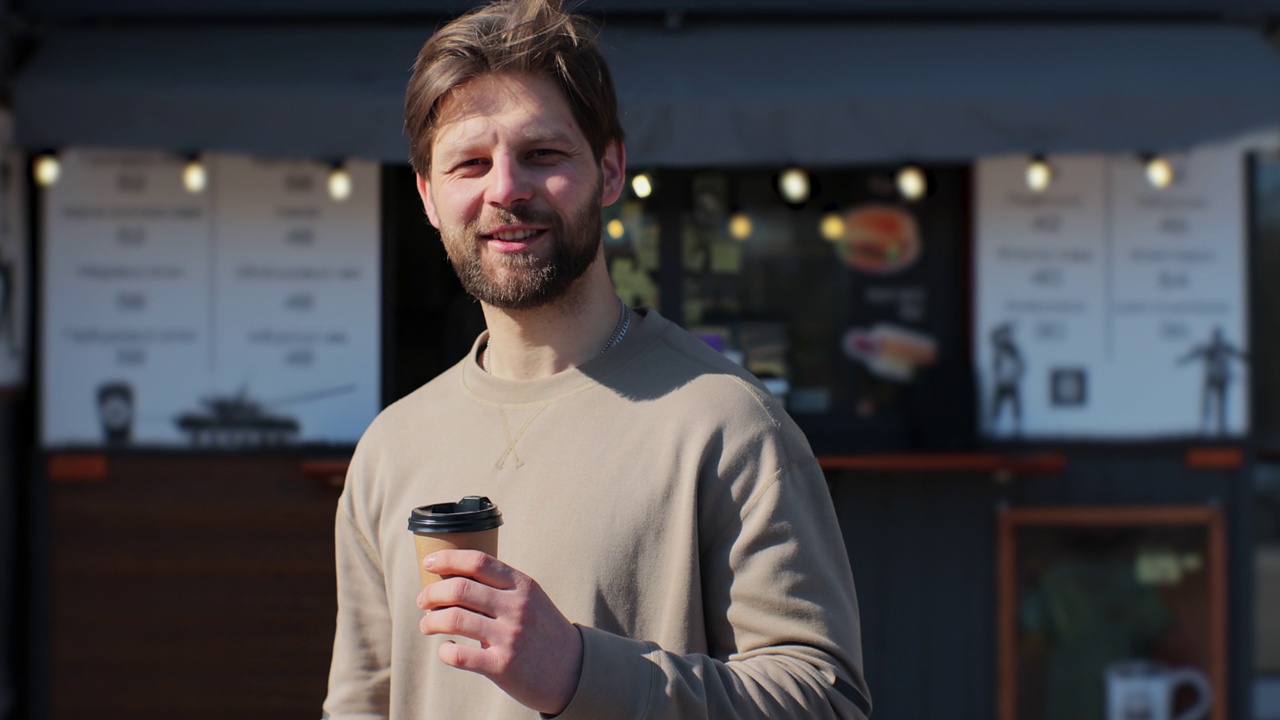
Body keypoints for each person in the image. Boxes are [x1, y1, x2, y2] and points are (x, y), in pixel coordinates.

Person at [322, 0, 871, 717]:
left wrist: (584, 670)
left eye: (543, 155)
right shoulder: (390, 448)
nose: (505, 189)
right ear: (428, 195)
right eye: (469, 163)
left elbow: (825, 701)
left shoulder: (728, 425)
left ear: (610, 169)